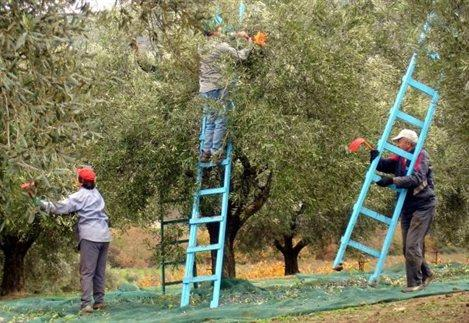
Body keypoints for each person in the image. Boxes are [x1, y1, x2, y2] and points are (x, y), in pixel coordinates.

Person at [31, 167, 111, 314]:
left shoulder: (79, 196)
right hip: (104, 236)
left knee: (87, 272)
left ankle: (86, 305)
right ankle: (99, 302)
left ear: (80, 182)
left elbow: (58, 207)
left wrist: (37, 200)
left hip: (90, 236)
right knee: (99, 271)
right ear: (93, 181)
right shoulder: (97, 194)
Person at [370, 129, 436, 293]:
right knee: (407, 246)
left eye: (399, 141)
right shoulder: (401, 156)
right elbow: (386, 165)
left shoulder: (421, 155)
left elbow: (416, 178)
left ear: (407, 142)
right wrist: (375, 158)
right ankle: (426, 273)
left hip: (423, 206)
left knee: (412, 246)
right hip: (407, 207)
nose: (397, 144)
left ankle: (415, 283)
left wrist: (393, 180)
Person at [198, 21, 252, 162]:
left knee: (210, 120)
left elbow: (224, 38)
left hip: (204, 88)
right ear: (214, 32)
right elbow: (241, 56)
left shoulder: (202, 46)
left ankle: (205, 152)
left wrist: (237, 34)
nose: (221, 30)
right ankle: (216, 152)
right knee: (220, 120)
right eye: (218, 29)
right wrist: (250, 44)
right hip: (216, 87)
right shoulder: (220, 46)